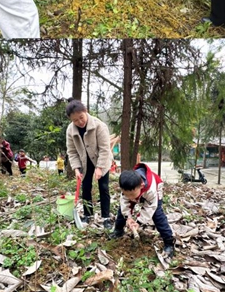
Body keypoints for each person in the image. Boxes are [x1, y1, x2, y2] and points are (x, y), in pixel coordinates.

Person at [65, 99, 113, 230]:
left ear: (86, 111)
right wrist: (75, 168)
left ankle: (106, 217)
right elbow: (72, 151)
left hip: (101, 160)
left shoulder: (99, 126)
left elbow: (105, 149)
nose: (80, 122)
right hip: (84, 162)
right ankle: (87, 215)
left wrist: (100, 167)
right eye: (75, 120)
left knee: (103, 187)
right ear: (71, 120)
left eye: (81, 117)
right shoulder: (70, 130)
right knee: (85, 187)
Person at [112, 163, 175, 258]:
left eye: (132, 195)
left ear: (141, 185)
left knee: (157, 215)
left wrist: (139, 222)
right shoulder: (128, 187)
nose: (130, 198)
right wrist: (128, 217)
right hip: (138, 192)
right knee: (122, 209)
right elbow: (124, 202)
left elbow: (150, 207)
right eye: (126, 194)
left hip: (154, 194)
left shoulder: (151, 189)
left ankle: (169, 242)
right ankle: (118, 230)